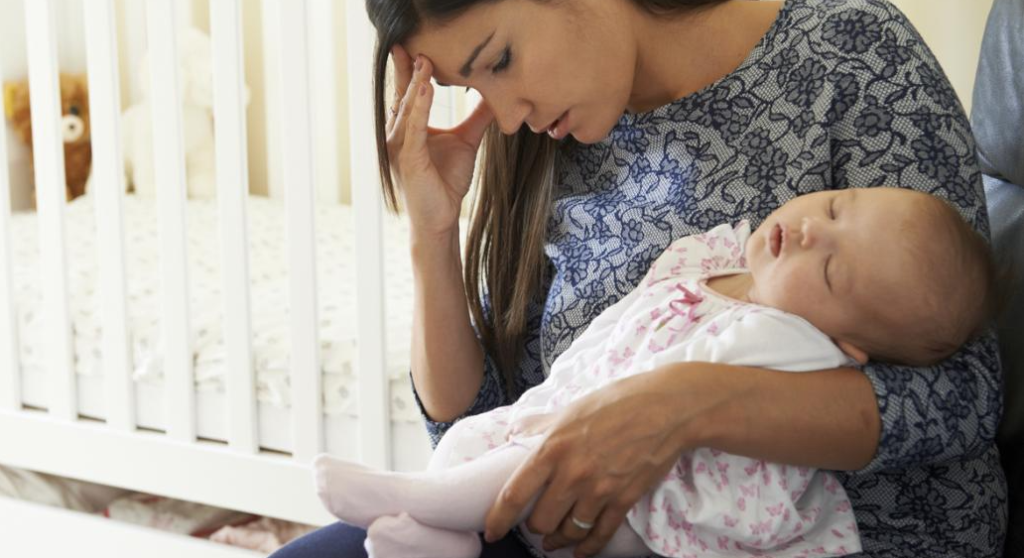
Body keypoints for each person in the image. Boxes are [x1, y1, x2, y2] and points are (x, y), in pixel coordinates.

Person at [270, 0, 1007, 556]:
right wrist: (433, 235)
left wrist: (681, 406)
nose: (505, 110)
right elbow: (482, 439)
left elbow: (964, 394)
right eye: (474, 84)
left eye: (500, 59)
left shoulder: (850, 54)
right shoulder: (545, 146)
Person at [312, 187, 995, 558]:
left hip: (648, 506)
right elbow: (619, 325)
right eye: (837, 205)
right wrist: (433, 238)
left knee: (520, 459)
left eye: (833, 268)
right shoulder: (715, 255)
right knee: (470, 441)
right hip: (567, 420)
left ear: (850, 343)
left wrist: (583, 410)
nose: (814, 230)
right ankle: (438, 534)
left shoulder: (796, 342)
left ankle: (431, 506)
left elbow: (971, 396)